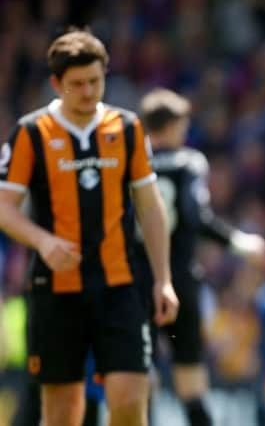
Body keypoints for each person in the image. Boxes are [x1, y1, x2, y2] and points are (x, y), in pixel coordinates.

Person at [0, 29, 179, 426]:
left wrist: (163, 279)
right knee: (63, 413)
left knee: (132, 401)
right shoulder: (31, 133)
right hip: (56, 289)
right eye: (77, 84)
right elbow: (4, 208)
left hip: (119, 285)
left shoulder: (128, 128)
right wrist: (43, 241)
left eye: (95, 81)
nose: (87, 91)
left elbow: (150, 207)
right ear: (57, 83)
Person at [135, 88, 265, 426]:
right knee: (191, 381)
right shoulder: (188, 162)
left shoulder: (132, 162)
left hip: (136, 280)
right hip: (179, 278)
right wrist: (238, 242)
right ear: (173, 125)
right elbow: (195, 216)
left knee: (141, 379)